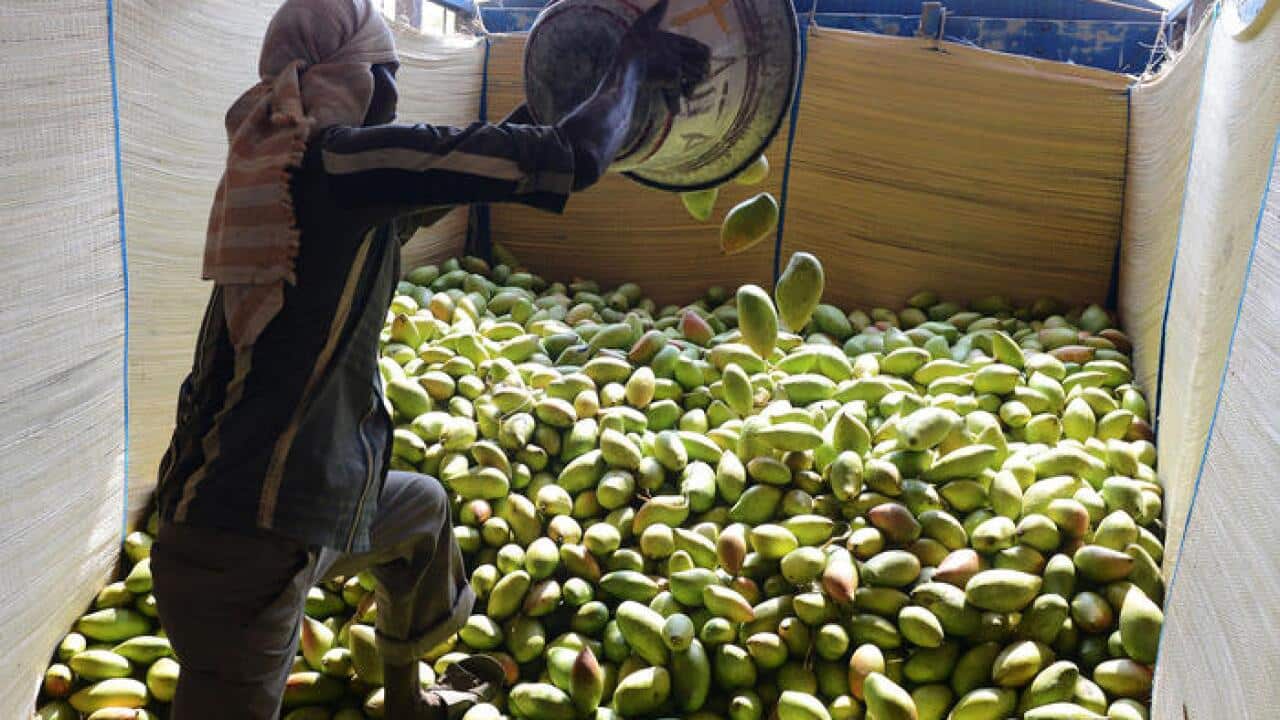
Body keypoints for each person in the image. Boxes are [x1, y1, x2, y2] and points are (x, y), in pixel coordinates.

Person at [148, 0, 709, 717]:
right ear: (367, 78)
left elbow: (481, 165)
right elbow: (568, 161)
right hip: (242, 544)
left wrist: (580, 76)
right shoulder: (340, 162)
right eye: (390, 72)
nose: (396, 91)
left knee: (423, 514)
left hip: (289, 511)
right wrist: (629, 64)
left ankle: (409, 701)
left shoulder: (311, 176)